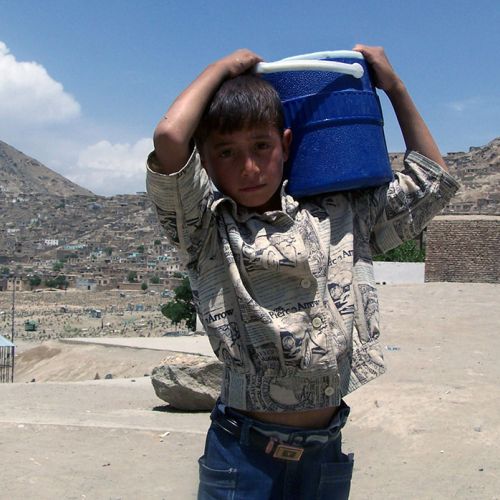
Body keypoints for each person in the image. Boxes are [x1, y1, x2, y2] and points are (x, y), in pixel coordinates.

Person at [146, 45, 459, 499]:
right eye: (227, 153)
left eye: (261, 146)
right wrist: (222, 68)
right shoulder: (206, 231)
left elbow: (431, 181)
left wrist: (394, 88)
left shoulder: (341, 215)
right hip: (243, 459)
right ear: (206, 163)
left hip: (324, 456)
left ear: (286, 144)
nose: (249, 167)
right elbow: (170, 137)